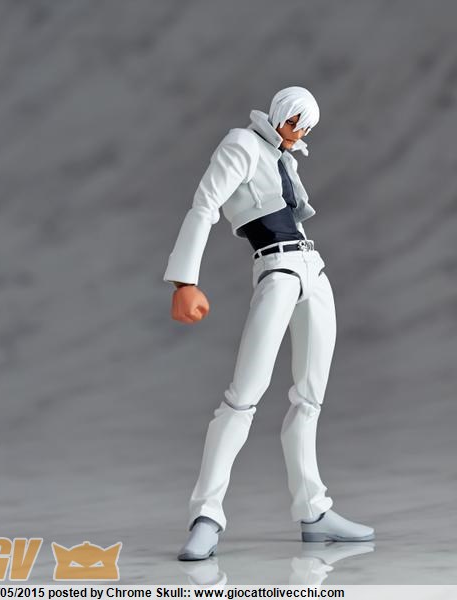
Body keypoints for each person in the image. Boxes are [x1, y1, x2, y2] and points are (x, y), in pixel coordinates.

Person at [164, 86, 374, 561]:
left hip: (313, 270)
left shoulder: (284, 157)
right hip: (276, 269)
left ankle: (313, 510)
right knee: (242, 399)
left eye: (307, 128)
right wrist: (184, 281)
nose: (300, 133)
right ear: (281, 114)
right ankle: (206, 516)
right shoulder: (241, 143)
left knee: (310, 398)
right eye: (296, 123)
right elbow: (204, 206)